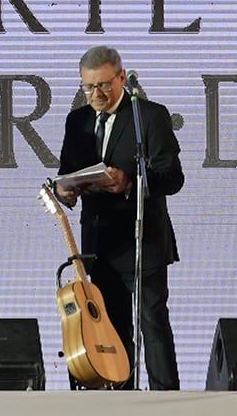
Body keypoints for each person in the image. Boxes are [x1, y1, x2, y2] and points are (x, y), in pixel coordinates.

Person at [55, 46, 184, 390]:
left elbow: (172, 177)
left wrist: (130, 181)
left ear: (122, 78)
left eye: (103, 85)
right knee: (110, 327)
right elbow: (67, 172)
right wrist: (64, 191)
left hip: (144, 239)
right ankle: (119, 398)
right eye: (88, 87)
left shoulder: (148, 116)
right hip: (100, 243)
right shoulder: (78, 121)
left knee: (153, 324)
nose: (96, 94)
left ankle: (167, 400)